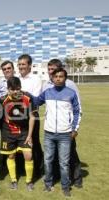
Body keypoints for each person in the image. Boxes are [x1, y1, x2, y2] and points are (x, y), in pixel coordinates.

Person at [34, 68, 81, 197]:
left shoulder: (71, 93)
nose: (58, 78)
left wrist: (75, 129)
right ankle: (48, 184)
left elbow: (77, 112)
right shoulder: (47, 92)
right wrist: (24, 94)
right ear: (52, 78)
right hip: (49, 133)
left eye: (61, 76)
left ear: (65, 78)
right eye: (56, 76)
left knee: (64, 163)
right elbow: (36, 101)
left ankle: (65, 187)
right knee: (48, 160)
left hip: (65, 134)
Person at [43, 58, 83, 188]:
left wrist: (74, 128)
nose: (50, 72)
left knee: (71, 155)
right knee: (52, 157)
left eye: (52, 69)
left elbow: (77, 107)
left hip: (66, 129)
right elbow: (40, 100)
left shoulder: (70, 84)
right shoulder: (46, 85)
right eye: (49, 69)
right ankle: (54, 179)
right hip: (51, 129)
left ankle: (77, 179)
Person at [0, 77, 35, 191]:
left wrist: (30, 136)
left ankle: (29, 181)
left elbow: (32, 117)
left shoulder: (27, 98)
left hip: (24, 132)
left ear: (20, 87)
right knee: (11, 156)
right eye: (12, 89)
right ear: (8, 89)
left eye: (17, 88)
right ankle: (14, 180)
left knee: (28, 155)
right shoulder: (3, 100)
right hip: (9, 132)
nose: (15, 91)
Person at [17, 54, 44, 178]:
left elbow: (36, 98)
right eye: (19, 64)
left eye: (23, 64)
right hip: (17, 116)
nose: (21, 66)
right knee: (20, 142)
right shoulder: (16, 78)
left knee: (34, 142)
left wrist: (21, 93)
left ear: (29, 65)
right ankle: (22, 169)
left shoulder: (36, 79)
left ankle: (37, 170)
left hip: (32, 115)